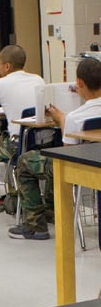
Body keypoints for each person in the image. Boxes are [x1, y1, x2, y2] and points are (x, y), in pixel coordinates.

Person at [10, 57, 101, 240]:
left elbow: (69, 152)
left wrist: (62, 119)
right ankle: (52, 210)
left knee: (25, 162)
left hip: (80, 169)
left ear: (80, 83)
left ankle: (36, 225)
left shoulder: (75, 117)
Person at [0, 45, 46, 205]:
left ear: (7, 66)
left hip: (17, 143)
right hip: (41, 140)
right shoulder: (38, 79)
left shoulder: (1, 84)